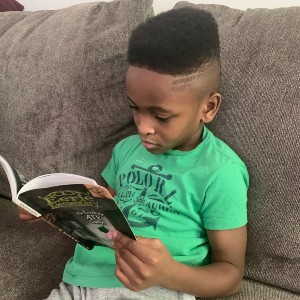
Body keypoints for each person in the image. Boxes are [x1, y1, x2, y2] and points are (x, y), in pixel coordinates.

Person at [19, 7, 249, 300]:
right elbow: (102, 210)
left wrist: (169, 273)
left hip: (156, 288)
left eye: (161, 116)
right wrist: (53, 208)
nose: (143, 127)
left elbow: (230, 276)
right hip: (79, 281)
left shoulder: (221, 171)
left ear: (209, 108)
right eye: (134, 108)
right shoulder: (126, 149)